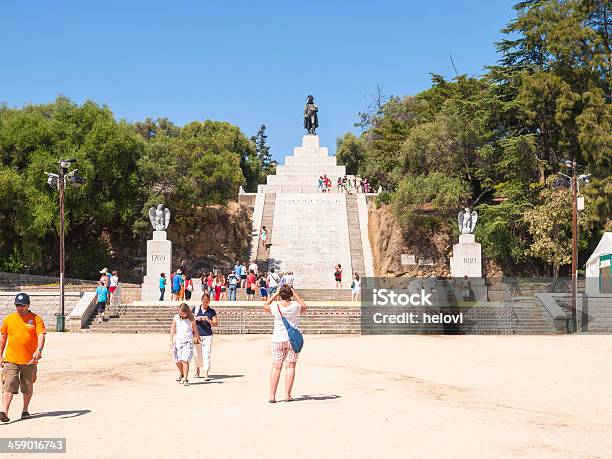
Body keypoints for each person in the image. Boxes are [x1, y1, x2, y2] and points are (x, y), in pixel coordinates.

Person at [0, 293, 46, 422]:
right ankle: (4, 412)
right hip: (11, 359)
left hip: (29, 360)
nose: (19, 308)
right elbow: (3, 337)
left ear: (28, 305)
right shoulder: (9, 319)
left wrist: (39, 350)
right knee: (8, 384)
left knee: (27, 385)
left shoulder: (36, 319)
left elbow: (41, 335)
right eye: (17, 305)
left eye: (22, 305)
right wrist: (0, 355)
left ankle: (25, 410)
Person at [263, 285, 307, 403]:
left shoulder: (275, 306)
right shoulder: (295, 306)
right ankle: (287, 395)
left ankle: (272, 396)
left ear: (281, 294)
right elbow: (304, 306)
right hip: (292, 340)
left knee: (276, 367)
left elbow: (265, 305)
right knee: (291, 366)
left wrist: (275, 294)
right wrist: (295, 293)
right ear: (290, 294)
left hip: (278, 339)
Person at [170, 303, 199, 386]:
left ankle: (185, 379)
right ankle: (182, 373)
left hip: (188, 342)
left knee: (185, 360)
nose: (182, 315)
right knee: (178, 361)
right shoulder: (176, 317)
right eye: (180, 313)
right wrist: (170, 339)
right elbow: (173, 328)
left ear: (187, 312)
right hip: (178, 342)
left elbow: (195, 329)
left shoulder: (191, 318)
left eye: (183, 313)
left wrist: (197, 337)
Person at [191, 294, 218, 380]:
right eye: (204, 302)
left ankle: (206, 373)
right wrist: (196, 318)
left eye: (206, 302)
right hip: (197, 334)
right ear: (201, 301)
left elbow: (216, 323)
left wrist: (208, 320)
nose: (205, 304)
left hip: (207, 335)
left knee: (206, 354)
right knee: (197, 354)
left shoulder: (211, 311)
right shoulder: (196, 309)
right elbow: (190, 319)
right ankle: (197, 371)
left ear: (209, 302)